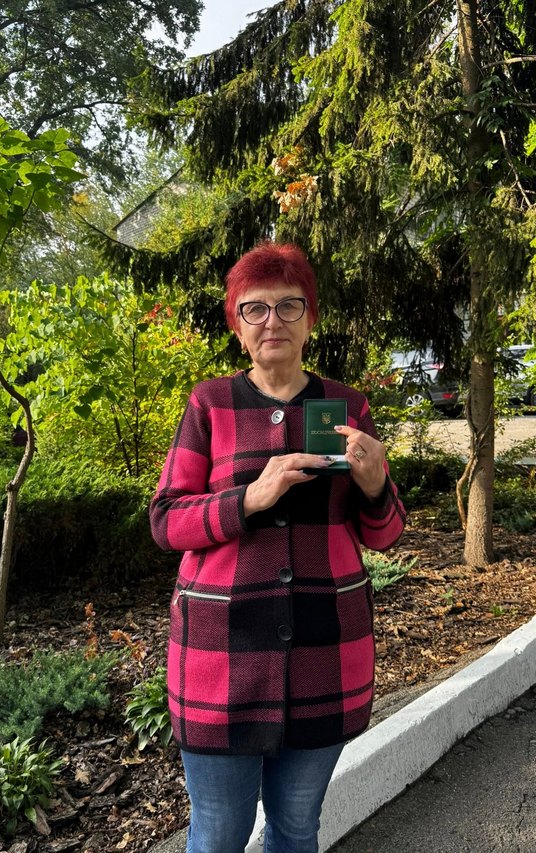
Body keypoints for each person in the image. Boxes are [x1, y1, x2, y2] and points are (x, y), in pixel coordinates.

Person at [150, 241, 406, 853]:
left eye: (289, 306)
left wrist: (375, 485)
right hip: (221, 661)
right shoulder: (210, 405)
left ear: (310, 320)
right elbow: (165, 521)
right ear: (237, 327)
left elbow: (385, 534)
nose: (273, 321)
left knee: (295, 826)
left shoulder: (347, 407)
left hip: (326, 652)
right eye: (255, 309)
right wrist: (249, 499)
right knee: (219, 833)